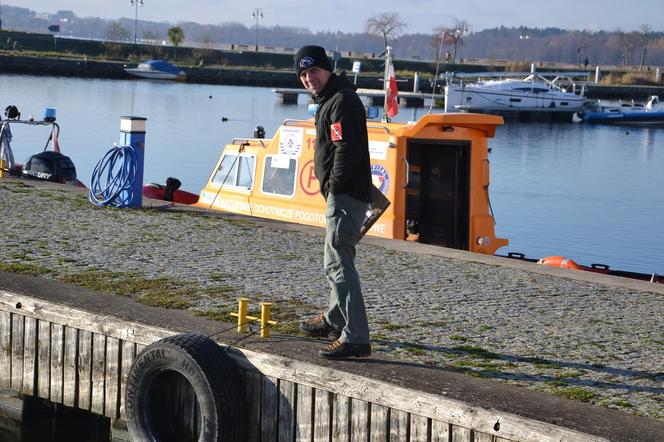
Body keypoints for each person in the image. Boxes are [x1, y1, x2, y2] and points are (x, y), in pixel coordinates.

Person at [294, 45, 372, 360]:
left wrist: (333, 186)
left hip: (346, 194)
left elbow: (347, 149)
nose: (309, 78)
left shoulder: (342, 101)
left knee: (339, 262)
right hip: (342, 193)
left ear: (327, 70)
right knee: (333, 259)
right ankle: (334, 319)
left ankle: (355, 337)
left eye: (313, 71)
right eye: (302, 74)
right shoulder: (331, 99)